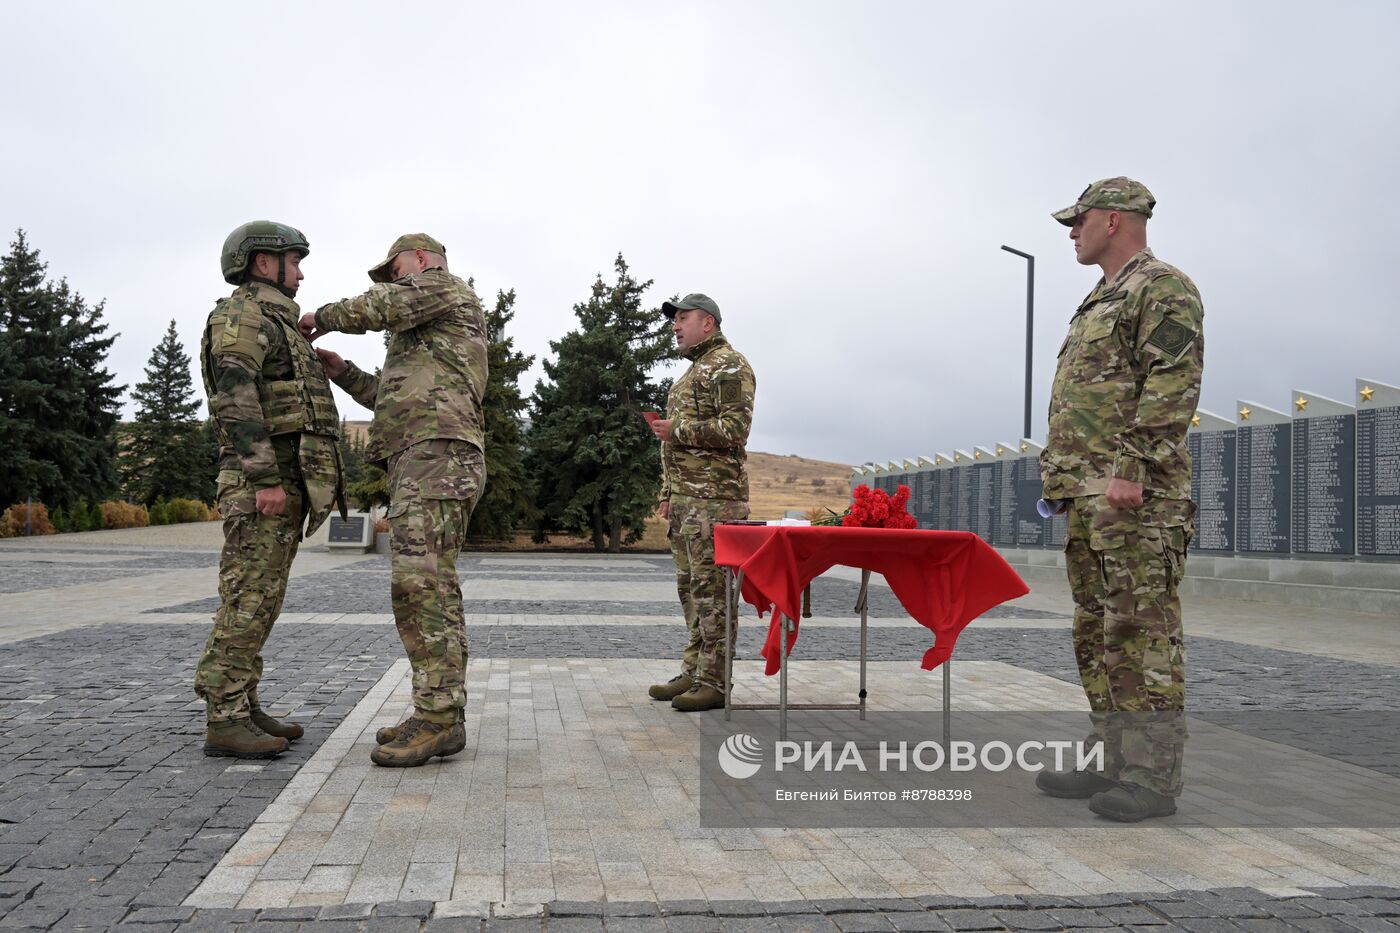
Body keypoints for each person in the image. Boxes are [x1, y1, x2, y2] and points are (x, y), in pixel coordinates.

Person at [1036, 178, 1204, 821]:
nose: (1072, 233)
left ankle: (1152, 777)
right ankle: (1110, 759)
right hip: (1087, 496)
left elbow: (1173, 380)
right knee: (1098, 634)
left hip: (1136, 496)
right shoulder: (1099, 297)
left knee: (1141, 636)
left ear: (1113, 219)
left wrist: (1132, 465)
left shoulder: (1161, 286)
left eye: (1077, 221)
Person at [304, 234, 488, 767]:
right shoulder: (426, 326)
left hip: (439, 456)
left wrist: (321, 315)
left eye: (396, 269)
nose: (391, 280)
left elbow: (382, 306)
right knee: (427, 585)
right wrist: (344, 375)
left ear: (423, 261)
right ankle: (439, 711)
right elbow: (393, 398)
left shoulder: (443, 289)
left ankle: (437, 716)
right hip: (424, 454)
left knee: (420, 584)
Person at [196, 220, 345, 759]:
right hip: (262, 485)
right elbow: (235, 397)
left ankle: (244, 704)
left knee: (261, 601)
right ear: (264, 262)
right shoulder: (242, 315)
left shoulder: (275, 321)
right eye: (294, 260)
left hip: (281, 482)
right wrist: (265, 480)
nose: (301, 273)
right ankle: (225, 718)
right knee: (246, 601)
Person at [647, 294, 756, 712]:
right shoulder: (694, 372)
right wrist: (668, 494)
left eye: (683, 318)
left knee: (714, 593)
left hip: (716, 503)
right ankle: (694, 671)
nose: (675, 325)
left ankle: (715, 680)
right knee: (691, 591)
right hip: (687, 503)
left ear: (707, 323)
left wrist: (679, 429)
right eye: (674, 319)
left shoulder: (730, 365)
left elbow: (734, 429)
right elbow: (678, 446)